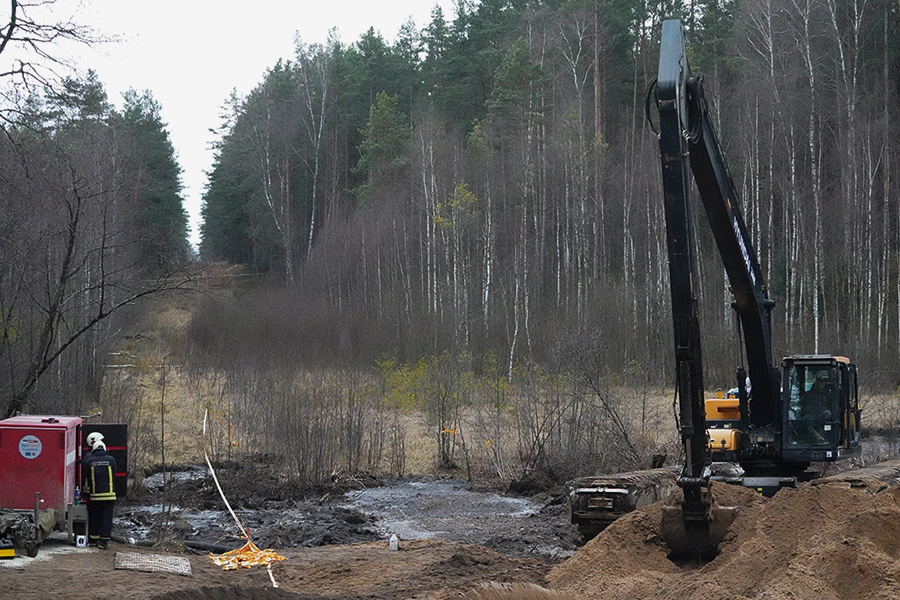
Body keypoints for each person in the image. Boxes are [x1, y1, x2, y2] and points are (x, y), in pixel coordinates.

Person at [83, 432, 117, 549]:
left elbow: (87, 480)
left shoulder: (89, 461)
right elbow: (113, 474)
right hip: (109, 496)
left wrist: (86, 493)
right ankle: (103, 542)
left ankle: (93, 540)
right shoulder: (111, 460)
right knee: (106, 519)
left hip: (95, 496)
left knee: (95, 518)